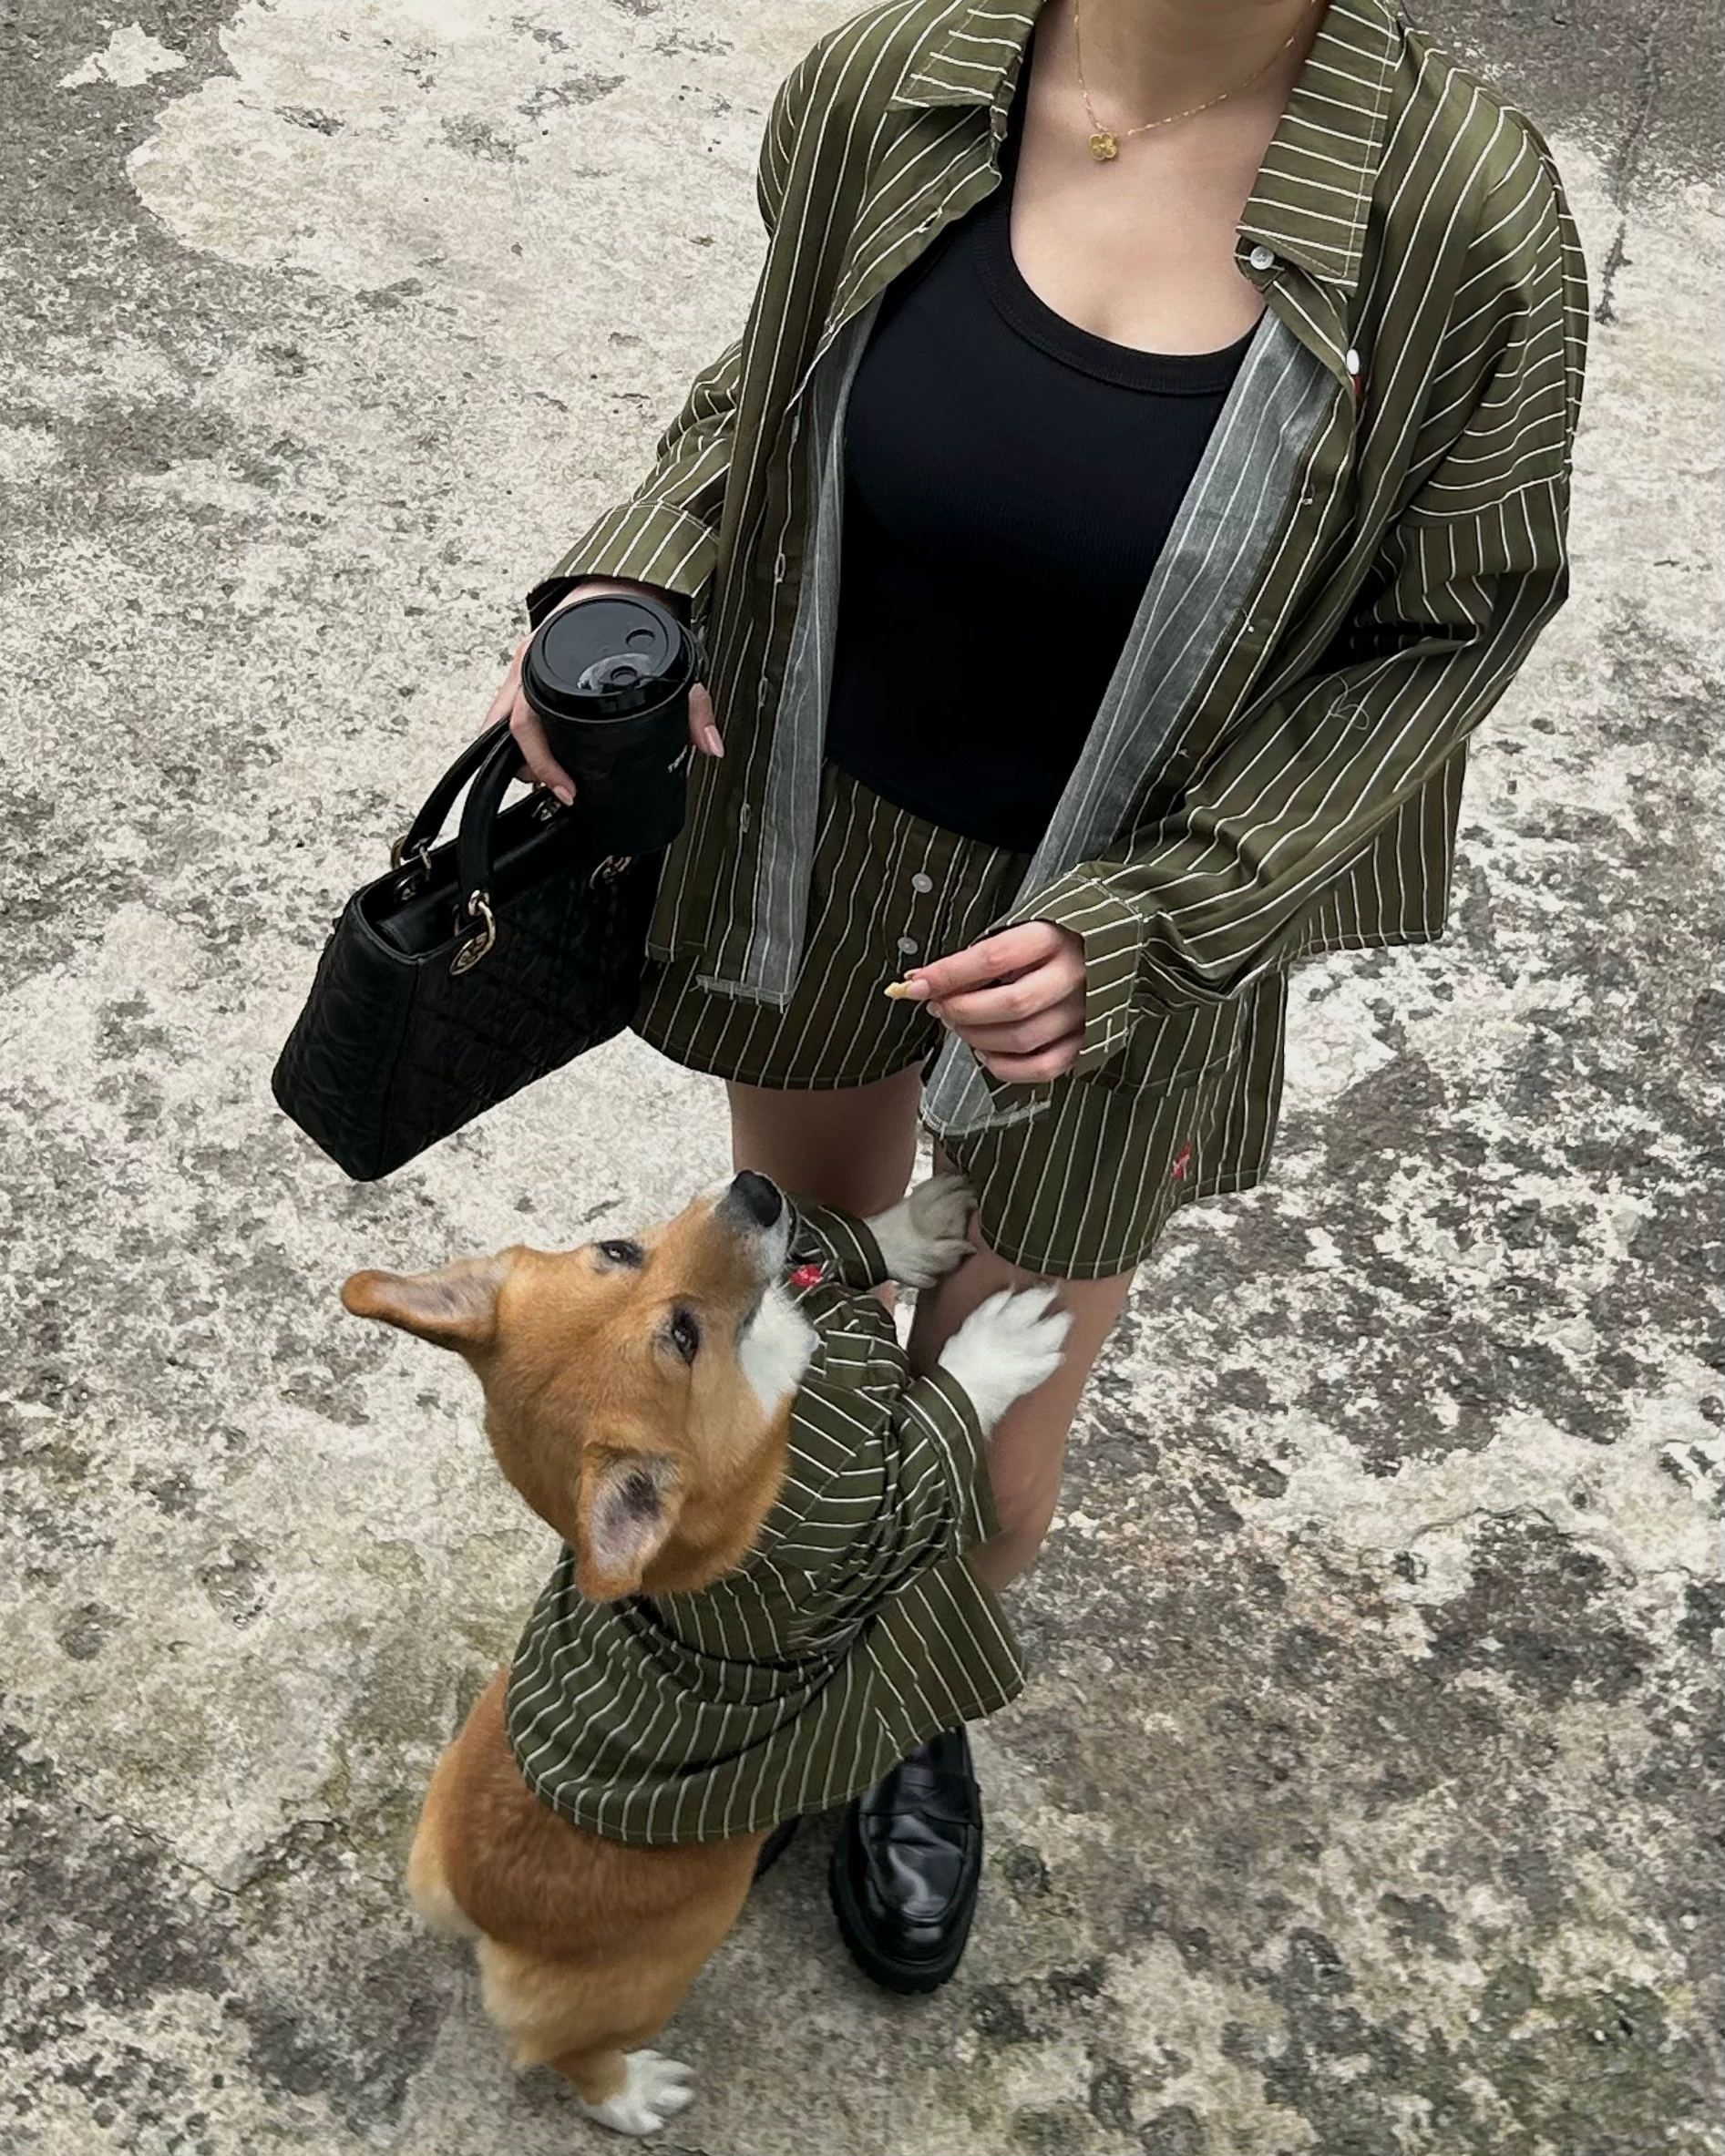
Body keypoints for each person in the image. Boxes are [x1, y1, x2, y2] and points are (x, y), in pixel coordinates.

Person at [484, 0, 1587, 1994]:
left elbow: (1450, 626)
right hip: (820, 844)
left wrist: (1162, 921)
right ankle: (760, 1669)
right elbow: (762, 399)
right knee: (790, 1321)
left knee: (986, 1441)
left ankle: (903, 1709)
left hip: (1115, 938)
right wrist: (625, 587)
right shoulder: (894, 79)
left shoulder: (1458, 216)